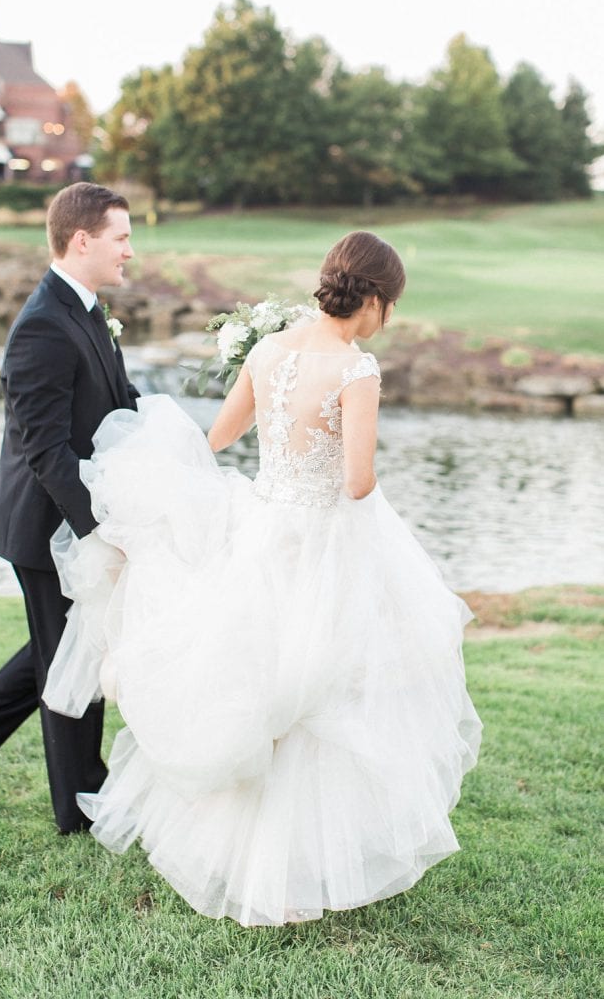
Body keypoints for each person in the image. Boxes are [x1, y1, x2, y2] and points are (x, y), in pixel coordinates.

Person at [43, 229, 482, 924]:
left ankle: (238, 856)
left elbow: (216, 439)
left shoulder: (270, 348)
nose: (386, 320)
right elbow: (359, 484)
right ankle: (300, 868)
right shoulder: (356, 369)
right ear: (371, 299)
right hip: (324, 542)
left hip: (260, 528)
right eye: (388, 305)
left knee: (259, 684)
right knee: (319, 690)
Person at [0, 182, 139, 834]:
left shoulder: (87, 310)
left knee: (65, 648)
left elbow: (119, 401)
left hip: (71, 519)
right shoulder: (43, 325)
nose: (131, 250)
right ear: (82, 241)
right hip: (49, 529)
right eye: (121, 237)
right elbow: (44, 451)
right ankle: (78, 807)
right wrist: (101, 532)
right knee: (76, 652)